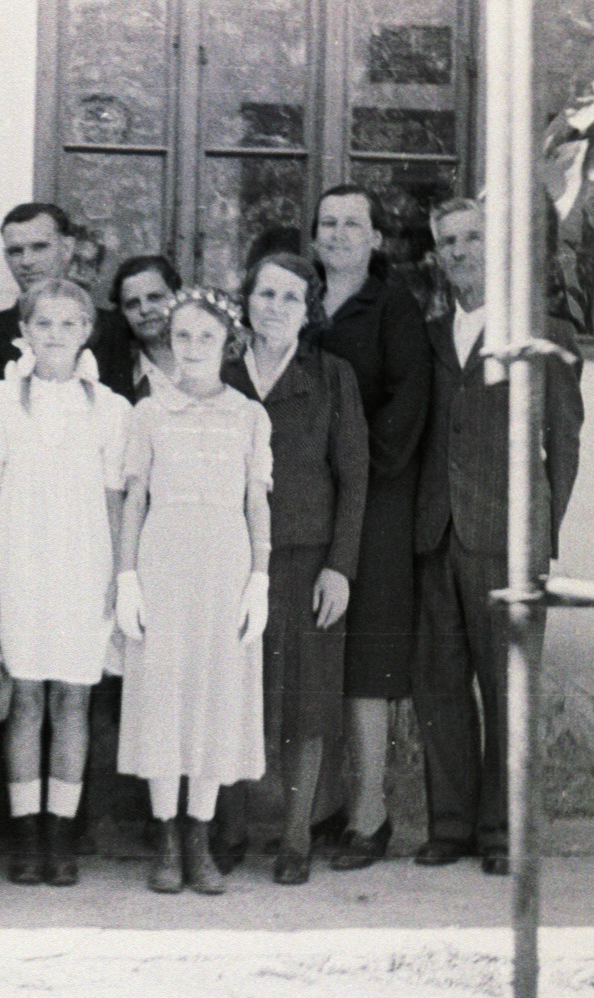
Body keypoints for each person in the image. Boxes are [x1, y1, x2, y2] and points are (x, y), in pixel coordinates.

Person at [413, 197, 583, 876]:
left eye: (471, 238)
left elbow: (562, 445)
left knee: (507, 687)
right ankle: (449, 826)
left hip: (505, 540)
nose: (458, 251)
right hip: (435, 533)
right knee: (440, 687)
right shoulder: (431, 332)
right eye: (447, 241)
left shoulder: (539, 334)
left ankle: (502, 831)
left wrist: (537, 533)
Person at [0, 278, 131, 887]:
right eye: (44, 324)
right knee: (26, 700)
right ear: (24, 332)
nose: (56, 336)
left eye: (68, 325)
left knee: (73, 700)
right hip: (21, 566)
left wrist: (121, 577)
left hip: (83, 570)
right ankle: (27, 832)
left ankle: (62, 833)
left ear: (86, 331)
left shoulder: (112, 409)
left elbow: (116, 500)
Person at [219, 253, 369, 886]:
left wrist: (340, 567)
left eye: (289, 296)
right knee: (231, 691)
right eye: (264, 293)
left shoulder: (333, 377)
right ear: (246, 300)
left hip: (306, 560)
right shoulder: (220, 374)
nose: (274, 306)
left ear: (308, 309)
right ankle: (226, 829)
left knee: (307, 699)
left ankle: (296, 834)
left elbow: (355, 479)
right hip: (227, 559)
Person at [116, 289, 271, 896]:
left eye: (206, 337)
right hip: (164, 556)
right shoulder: (149, 412)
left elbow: (257, 500)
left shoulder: (249, 415)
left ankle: (199, 836)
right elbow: (134, 497)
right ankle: (164, 835)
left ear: (228, 341)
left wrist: (259, 577)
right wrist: (127, 575)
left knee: (213, 690)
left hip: (225, 559)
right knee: (164, 690)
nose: (193, 348)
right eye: (182, 336)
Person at [309, 184, 434, 871]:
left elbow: (406, 406)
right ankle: (325, 804)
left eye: (351, 224)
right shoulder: (300, 300)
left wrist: (353, 469)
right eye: (326, 223)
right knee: (317, 650)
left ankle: (371, 814)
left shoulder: (393, 308)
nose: (337, 234)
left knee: (367, 659)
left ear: (375, 238)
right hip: (310, 498)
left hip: (378, 499)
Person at [0, 203, 129, 397]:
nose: (26, 261)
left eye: (39, 247)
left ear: (67, 248)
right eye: (15, 251)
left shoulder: (111, 328)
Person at [110, 255, 184, 403]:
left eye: (154, 298)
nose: (144, 309)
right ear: (122, 313)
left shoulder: (215, 361)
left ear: (178, 297)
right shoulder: (122, 377)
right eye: (133, 304)